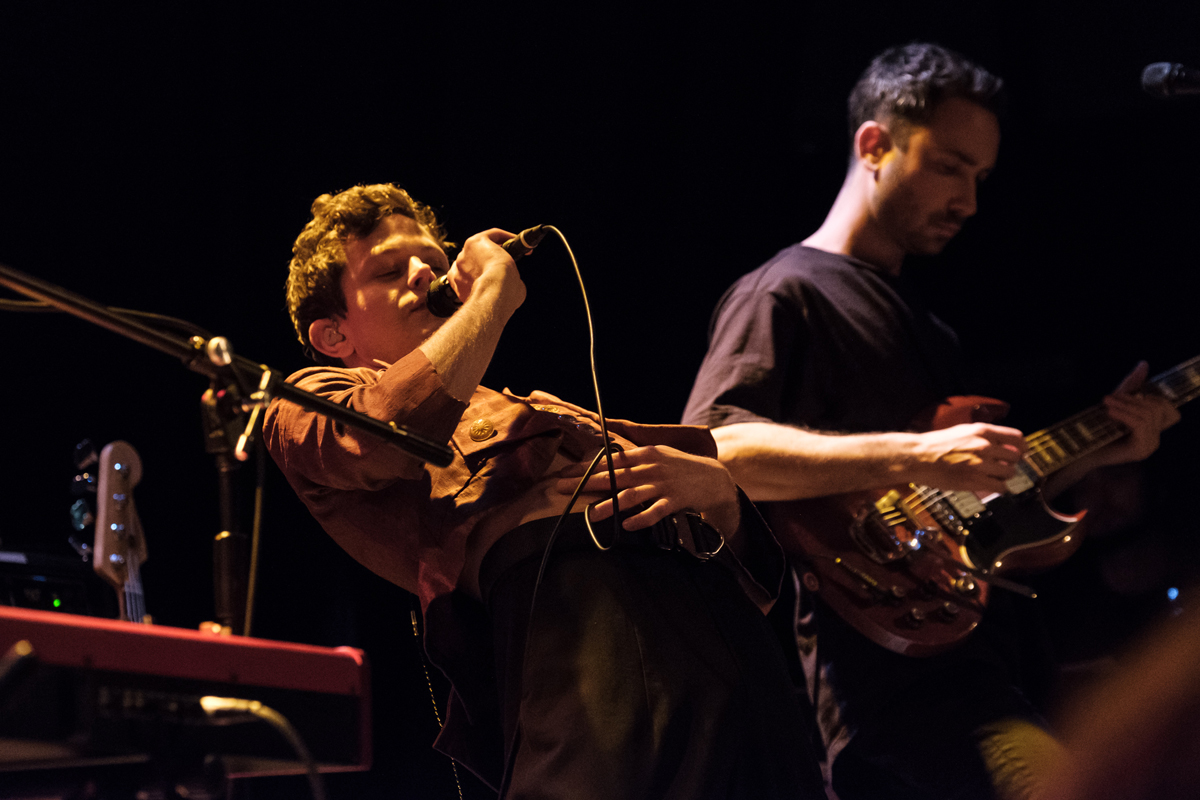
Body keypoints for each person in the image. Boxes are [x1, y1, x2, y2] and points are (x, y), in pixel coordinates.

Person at [682, 43, 1180, 800]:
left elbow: (967, 491)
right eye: (950, 165)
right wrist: (918, 454)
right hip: (892, 693)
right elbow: (717, 448)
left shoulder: (929, 329)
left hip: (990, 667)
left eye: (980, 177)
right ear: (874, 144)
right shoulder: (784, 292)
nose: (970, 201)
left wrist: (1106, 449)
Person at [263, 184, 824, 799]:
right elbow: (386, 436)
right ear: (334, 336)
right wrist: (495, 295)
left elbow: (760, 590)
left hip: (723, 639)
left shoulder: (530, 405)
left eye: (434, 256)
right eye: (390, 270)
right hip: (586, 620)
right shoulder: (307, 399)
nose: (429, 271)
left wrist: (720, 498)